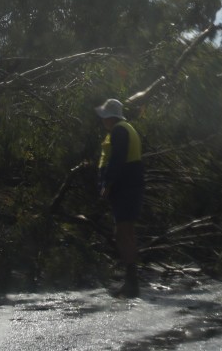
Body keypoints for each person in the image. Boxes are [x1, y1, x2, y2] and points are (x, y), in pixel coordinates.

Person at [95, 98, 144, 298]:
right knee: (126, 233)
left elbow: (117, 159)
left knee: (123, 234)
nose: (102, 120)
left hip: (126, 189)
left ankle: (131, 284)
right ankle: (131, 282)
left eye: (104, 117)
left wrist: (107, 184)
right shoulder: (126, 128)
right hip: (131, 187)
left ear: (110, 117)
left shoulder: (119, 131)